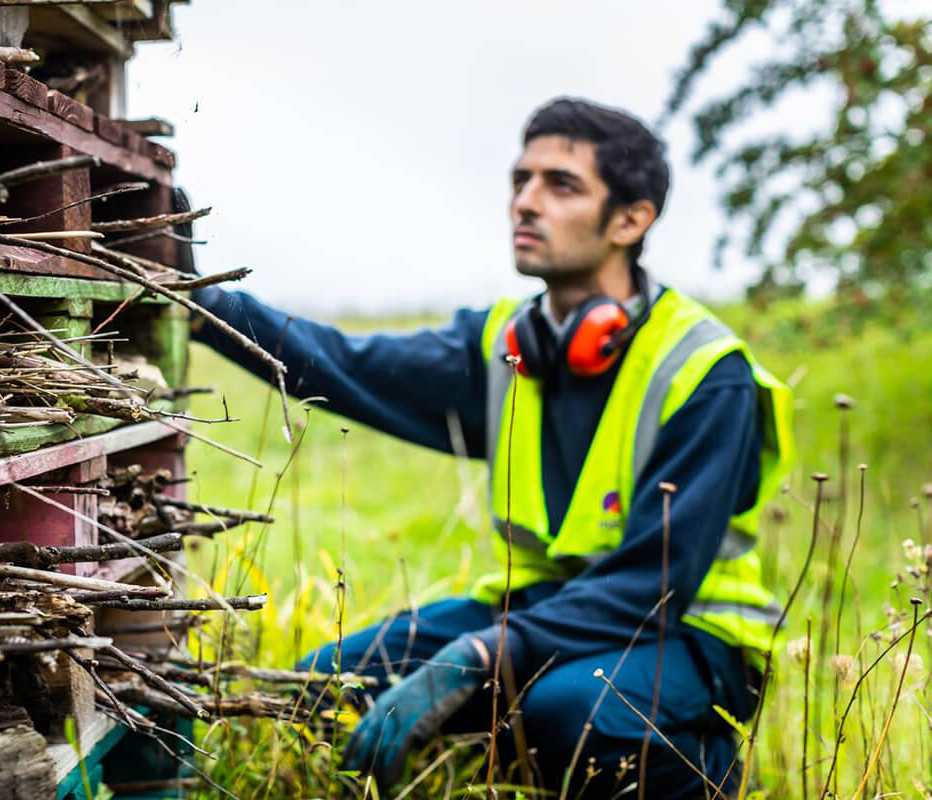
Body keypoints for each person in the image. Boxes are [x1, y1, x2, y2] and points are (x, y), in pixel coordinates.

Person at [187, 97, 794, 798]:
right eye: (520, 179)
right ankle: (509, 763)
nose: (525, 203)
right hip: (545, 611)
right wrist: (207, 303)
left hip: (687, 629)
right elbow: (346, 364)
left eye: (560, 185)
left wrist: (480, 654)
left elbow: (654, 583)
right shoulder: (503, 344)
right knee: (325, 687)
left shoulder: (704, 369)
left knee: (572, 711)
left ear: (631, 220)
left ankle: (708, 776)